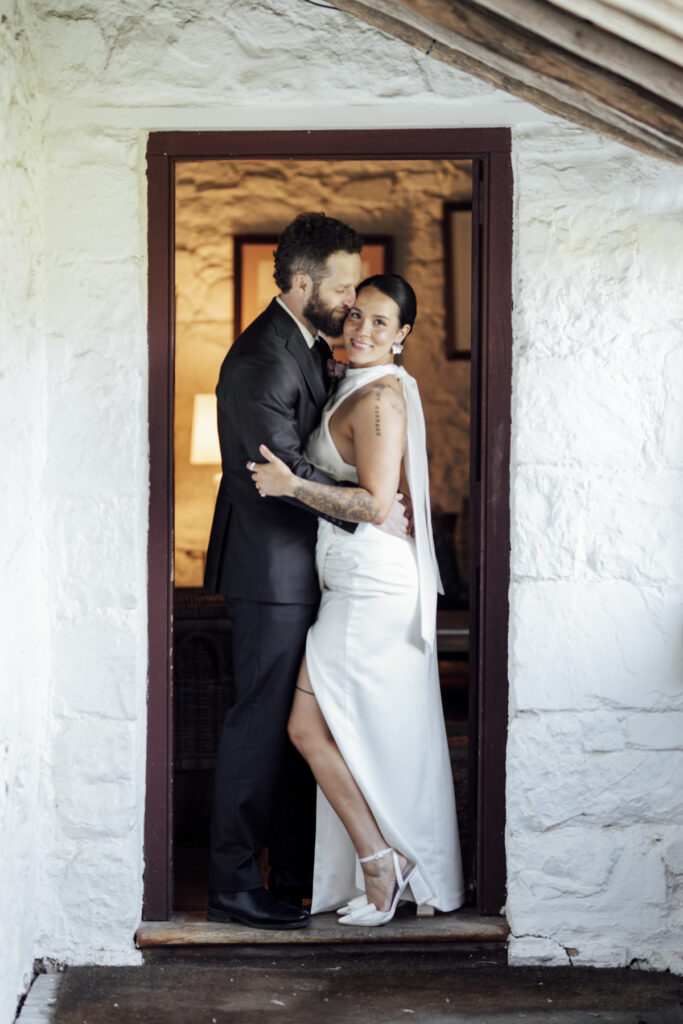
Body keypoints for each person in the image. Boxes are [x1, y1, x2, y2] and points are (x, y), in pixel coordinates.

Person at [203, 214, 410, 931]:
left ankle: (290, 871)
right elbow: (278, 469)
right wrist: (365, 507)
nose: (352, 300)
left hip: (305, 567)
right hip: (270, 569)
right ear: (301, 284)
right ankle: (231, 884)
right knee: (259, 725)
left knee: (297, 724)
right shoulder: (262, 358)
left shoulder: (305, 345)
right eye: (344, 284)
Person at [249, 275, 465, 924]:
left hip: (370, 588)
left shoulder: (380, 401)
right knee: (328, 728)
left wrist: (289, 485)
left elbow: (373, 505)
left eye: (379, 322)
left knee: (306, 726)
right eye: (355, 316)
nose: (360, 330)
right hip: (349, 583)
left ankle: (383, 862)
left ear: (401, 335)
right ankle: (385, 862)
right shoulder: (358, 384)